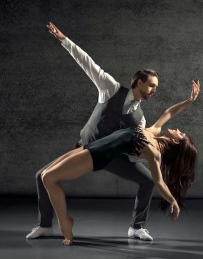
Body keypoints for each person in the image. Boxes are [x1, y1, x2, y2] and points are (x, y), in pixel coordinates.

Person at [27, 22, 160, 241]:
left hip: (111, 157)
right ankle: (45, 225)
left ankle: (137, 227)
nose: (154, 91)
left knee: (148, 180)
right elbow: (87, 62)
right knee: (41, 176)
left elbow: (137, 144)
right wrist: (63, 39)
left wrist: (152, 158)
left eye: (156, 87)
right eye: (151, 86)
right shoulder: (110, 88)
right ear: (138, 82)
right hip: (85, 150)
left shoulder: (140, 118)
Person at [40, 80, 200, 245]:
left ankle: (64, 222)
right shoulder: (154, 132)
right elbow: (169, 113)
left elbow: (158, 181)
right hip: (93, 146)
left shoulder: (154, 153)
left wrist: (172, 200)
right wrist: (189, 101)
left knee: (49, 178)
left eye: (180, 134)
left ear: (175, 143)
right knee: (45, 175)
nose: (178, 130)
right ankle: (63, 221)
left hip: (97, 156)